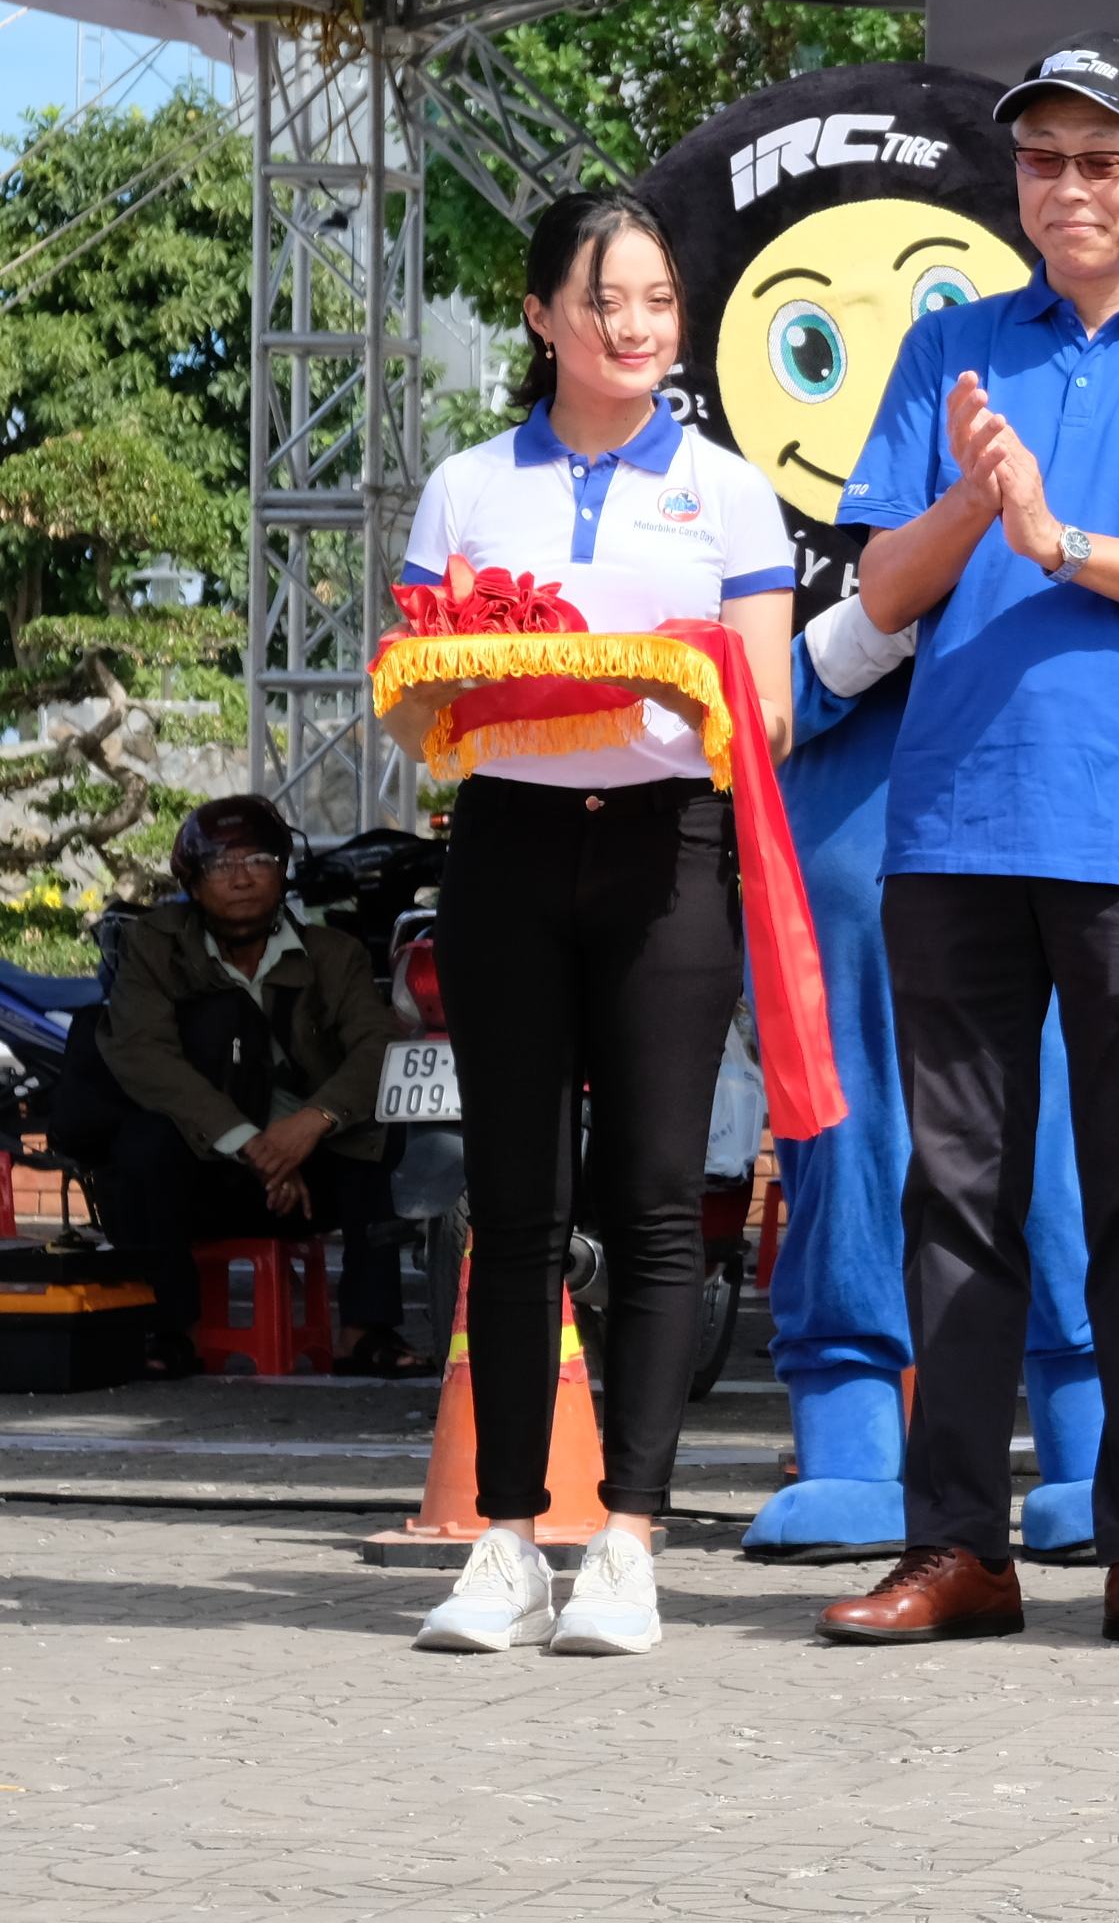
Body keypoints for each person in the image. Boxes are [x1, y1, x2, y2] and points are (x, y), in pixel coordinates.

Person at [818, 31, 1119, 1656]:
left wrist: (1064, 537)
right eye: (1044, 158)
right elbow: (880, 595)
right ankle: (956, 1542)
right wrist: (977, 506)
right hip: (954, 823)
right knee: (951, 1193)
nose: (1071, 185)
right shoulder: (952, 344)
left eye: (1106, 157)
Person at [378, 189, 797, 1657]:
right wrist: (477, 669)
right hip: (505, 844)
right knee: (512, 1203)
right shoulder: (463, 486)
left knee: (656, 1198)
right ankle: (504, 1537)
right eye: (605, 299)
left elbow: (775, 711)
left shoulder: (732, 492)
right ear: (544, 314)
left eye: (658, 302)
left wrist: (658, 677)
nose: (635, 327)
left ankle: (630, 1536)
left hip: (670, 854)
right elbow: (417, 706)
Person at [91, 793, 412, 1380]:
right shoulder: (154, 946)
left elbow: (380, 1047)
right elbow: (143, 1054)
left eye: (259, 860)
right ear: (190, 879)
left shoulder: (332, 954)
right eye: (219, 865)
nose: (241, 878)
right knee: (142, 1144)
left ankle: (366, 1331)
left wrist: (310, 1125)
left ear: (283, 869)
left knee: (380, 1134)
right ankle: (171, 1331)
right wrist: (251, 1144)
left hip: (310, 1172)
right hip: (204, 1165)